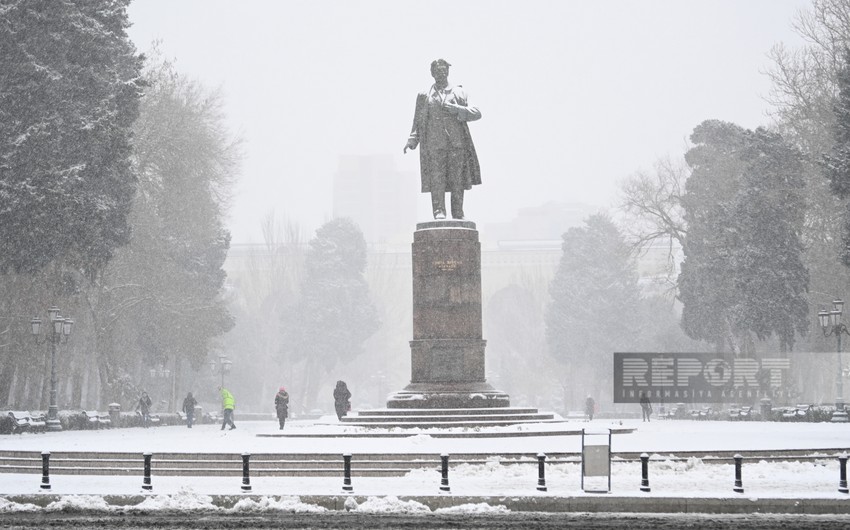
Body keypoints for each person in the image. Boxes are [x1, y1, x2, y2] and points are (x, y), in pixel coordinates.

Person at [404, 58, 482, 220]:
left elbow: (476, 113)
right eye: (437, 71)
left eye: (443, 70)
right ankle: (439, 210)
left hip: (457, 144)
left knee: (457, 179)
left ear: (448, 72)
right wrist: (413, 139)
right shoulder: (425, 96)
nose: (441, 73)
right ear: (432, 74)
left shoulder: (459, 92)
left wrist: (458, 110)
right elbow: (418, 121)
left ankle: (458, 211)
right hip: (434, 144)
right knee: (437, 179)